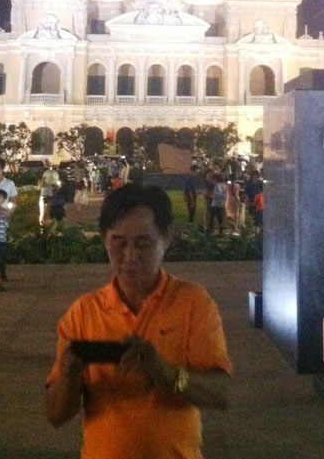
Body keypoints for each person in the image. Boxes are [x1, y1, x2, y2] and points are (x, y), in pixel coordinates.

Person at [45, 183, 231, 459]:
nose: (130, 256)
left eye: (143, 243)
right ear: (104, 240)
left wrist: (164, 372)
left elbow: (221, 393)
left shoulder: (192, 302)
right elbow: (56, 415)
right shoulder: (83, 312)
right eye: (118, 243)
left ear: (166, 238)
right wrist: (70, 377)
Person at [38, 160, 60, 225]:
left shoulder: (52, 181)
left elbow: (56, 189)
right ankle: (41, 225)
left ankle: (47, 225)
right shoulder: (42, 181)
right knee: (42, 212)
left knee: (48, 212)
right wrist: (42, 181)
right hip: (43, 197)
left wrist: (57, 186)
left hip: (50, 196)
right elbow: (38, 188)